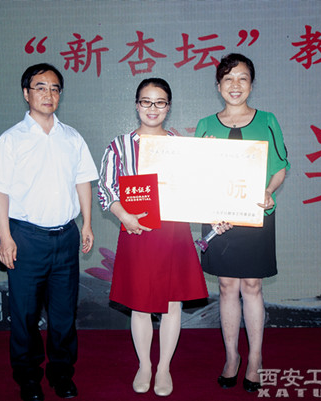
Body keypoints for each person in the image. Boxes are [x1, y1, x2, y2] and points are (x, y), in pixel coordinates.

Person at [98, 78, 227, 397]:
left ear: (168, 108)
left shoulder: (181, 146)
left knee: (172, 304)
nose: (152, 108)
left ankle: (164, 366)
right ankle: (144, 365)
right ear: (136, 105)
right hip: (137, 231)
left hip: (173, 235)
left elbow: (197, 187)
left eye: (160, 102)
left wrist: (208, 158)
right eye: (146, 101)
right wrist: (124, 216)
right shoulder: (119, 145)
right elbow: (105, 189)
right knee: (140, 306)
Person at [0, 63, 98, 401]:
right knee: (25, 314)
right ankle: (28, 376)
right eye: (40, 87)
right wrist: (5, 238)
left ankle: (61, 373)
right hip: (25, 239)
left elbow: (83, 181)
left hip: (66, 237)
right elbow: (0, 192)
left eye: (55, 88)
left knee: (64, 314)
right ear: (26, 93)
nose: (48, 94)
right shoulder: (11, 140)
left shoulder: (72, 137)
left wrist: (87, 223)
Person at [195, 53, 290, 393]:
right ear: (218, 85)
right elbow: (196, 174)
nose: (235, 85)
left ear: (251, 84)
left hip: (255, 214)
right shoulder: (205, 125)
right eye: (228, 79)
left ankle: (255, 358)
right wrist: (202, 155)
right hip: (218, 217)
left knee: (252, 285)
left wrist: (269, 191)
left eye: (242, 78)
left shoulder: (267, 120)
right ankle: (232, 356)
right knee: (226, 286)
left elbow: (281, 166)